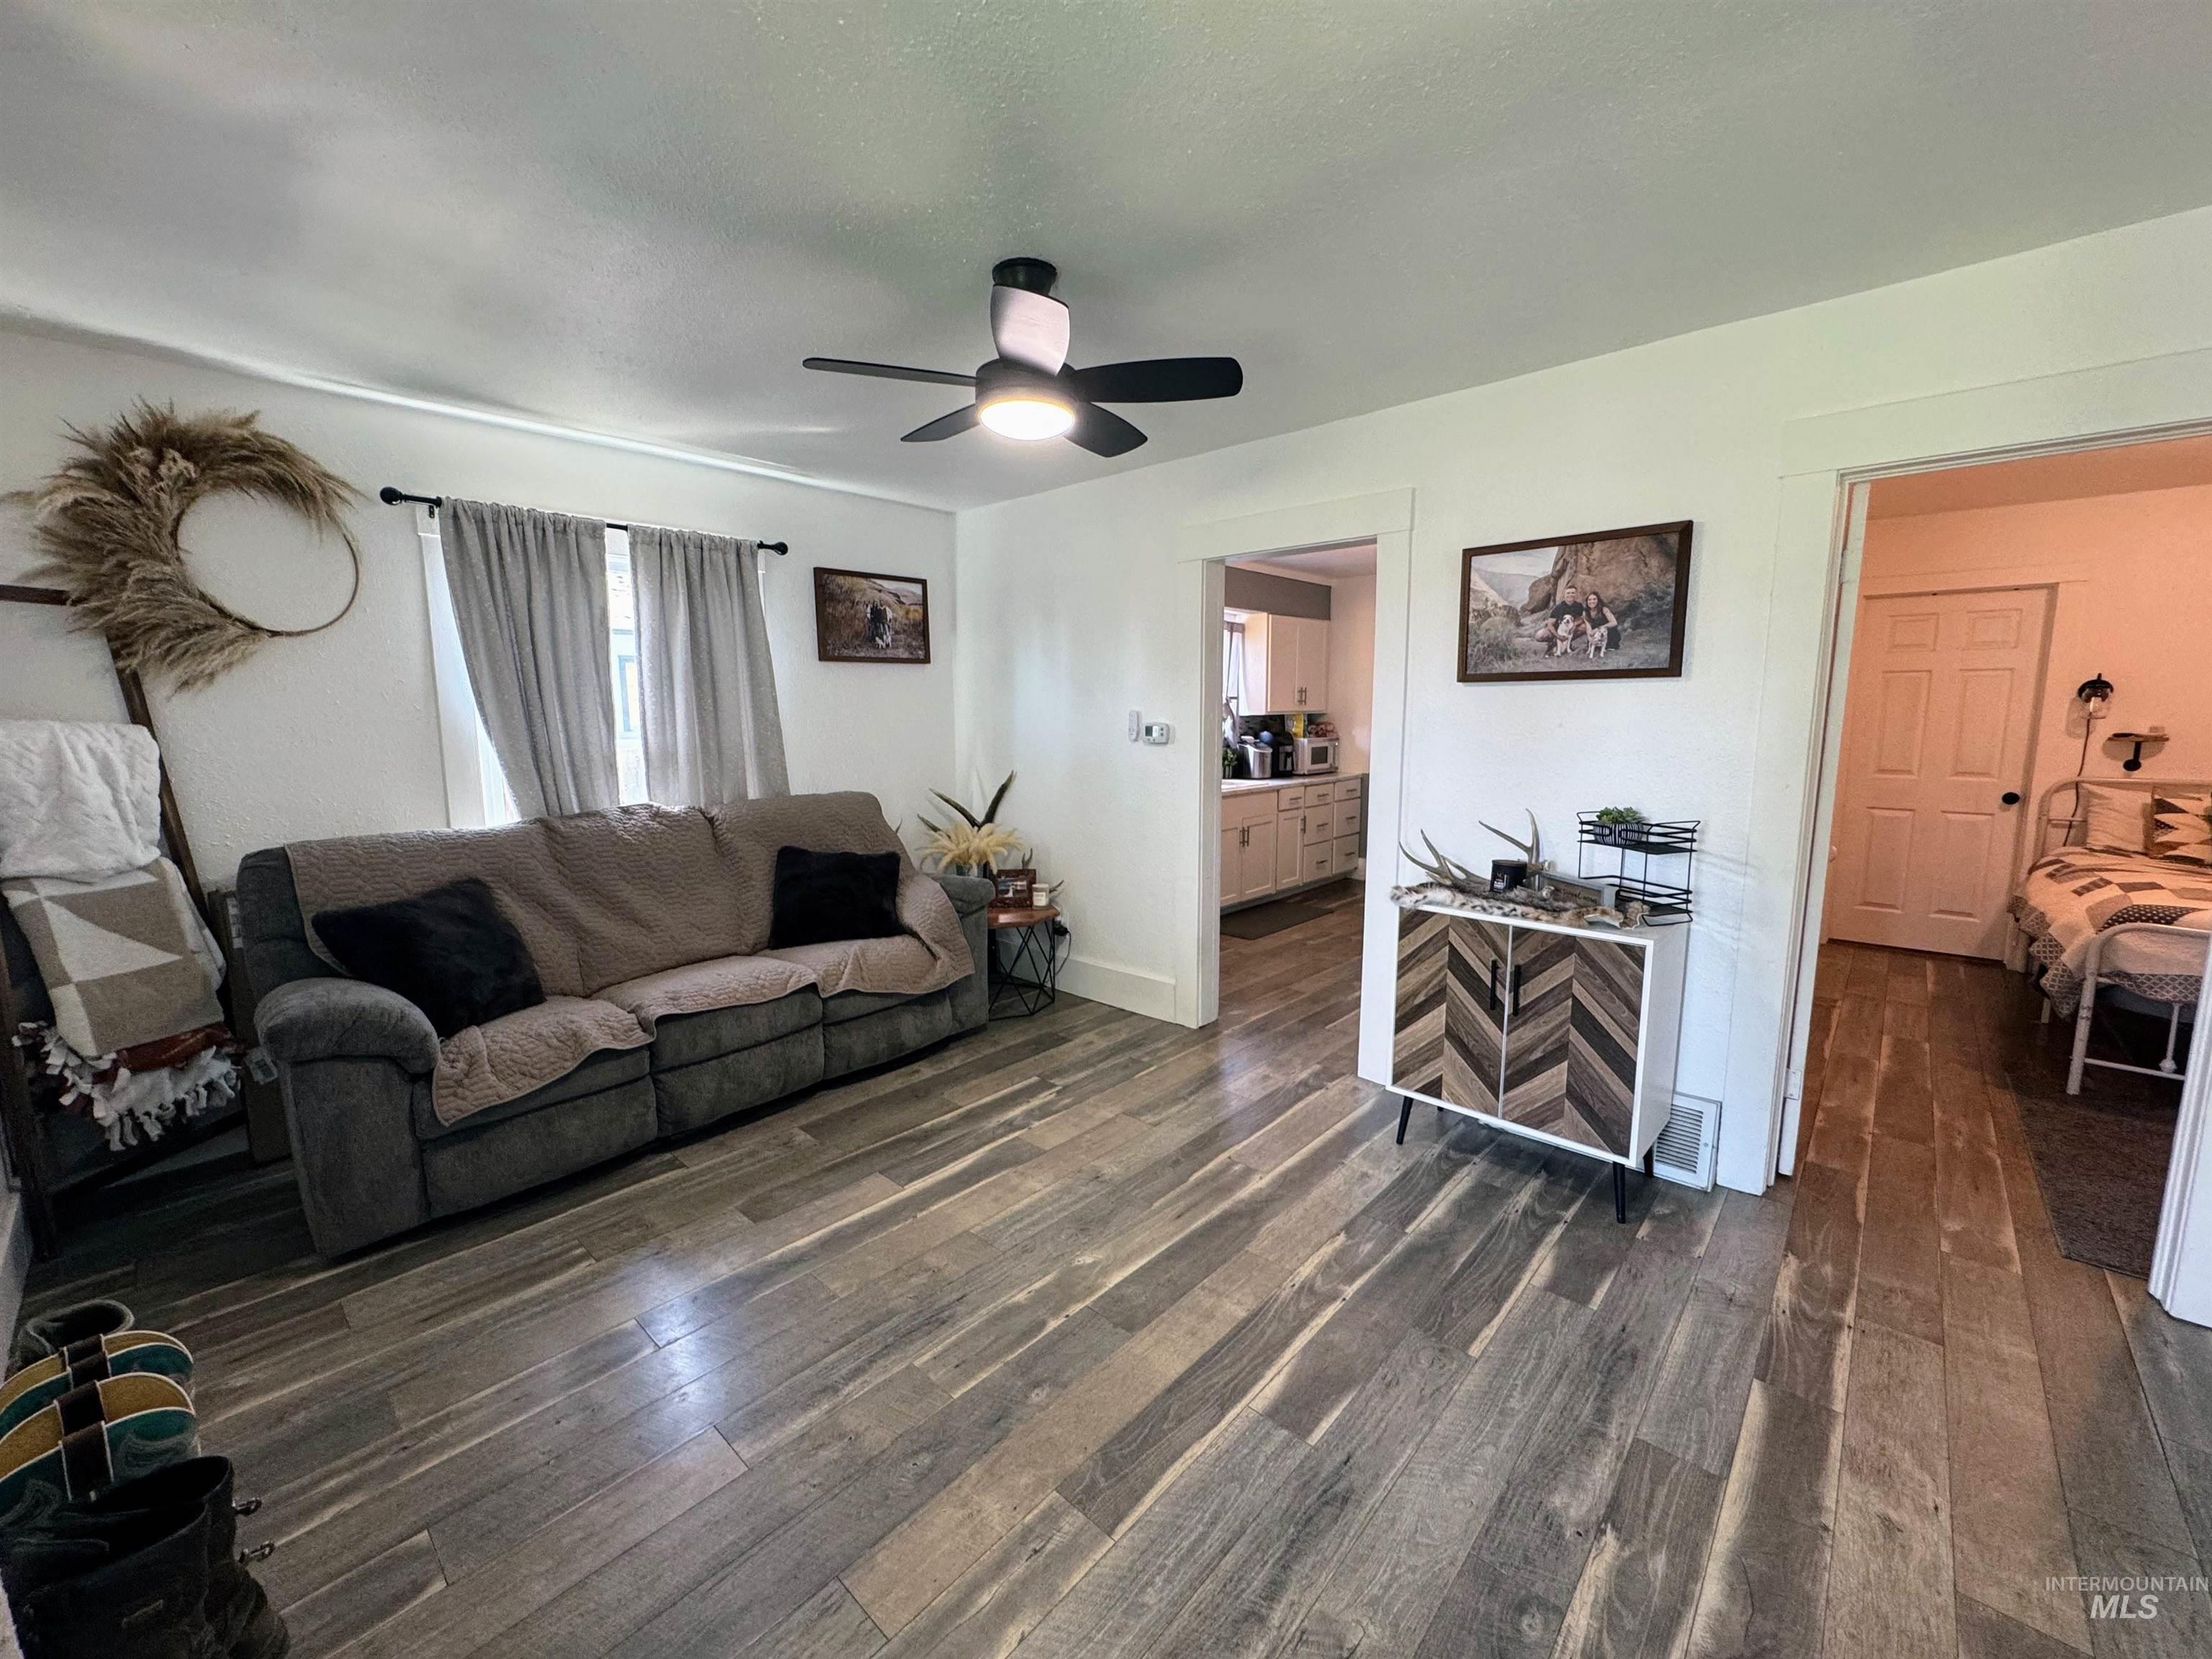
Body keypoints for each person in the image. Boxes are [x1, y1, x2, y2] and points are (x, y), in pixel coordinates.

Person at [1537, 583, 1586, 655]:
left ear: (1576, 594)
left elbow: (1583, 618)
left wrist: (1575, 624)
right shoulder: (1559, 607)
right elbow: (1550, 624)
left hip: (1569, 630)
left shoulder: (1579, 606)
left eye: (1573, 593)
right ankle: (1554, 642)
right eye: (1568, 593)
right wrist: (1558, 636)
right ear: (1565, 594)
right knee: (1540, 635)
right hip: (1557, 631)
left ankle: (1568, 643)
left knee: (1584, 627)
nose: (1570, 595)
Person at [1580, 588, 1618, 656]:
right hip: (1596, 635)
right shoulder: (1585, 613)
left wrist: (1599, 628)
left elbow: (1614, 622)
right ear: (1587, 601)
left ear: (1598, 600)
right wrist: (1590, 639)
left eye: (1594, 599)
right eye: (1590, 600)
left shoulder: (1604, 609)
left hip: (1608, 633)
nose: (1592, 601)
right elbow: (1588, 628)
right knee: (1593, 644)